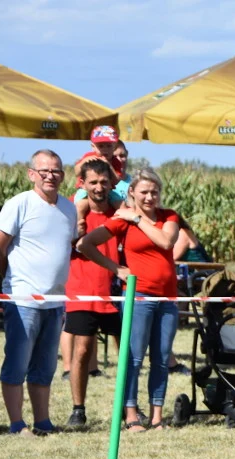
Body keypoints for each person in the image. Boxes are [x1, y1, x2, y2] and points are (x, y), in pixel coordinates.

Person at [78, 168, 180, 432]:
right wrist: (115, 268)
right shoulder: (122, 222)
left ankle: (157, 416)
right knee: (133, 358)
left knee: (161, 357)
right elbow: (85, 244)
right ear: (131, 192)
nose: (149, 197)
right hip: (140, 296)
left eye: (154, 192)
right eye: (143, 192)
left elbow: (166, 242)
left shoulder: (168, 217)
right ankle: (131, 414)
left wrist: (136, 217)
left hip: (168, 299)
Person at [0, 149, 76, 436]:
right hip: (22, 300)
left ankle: (43, 421)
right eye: (44, 171)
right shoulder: (19, 204)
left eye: (56, 171)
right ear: (32, 174)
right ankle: (16, 423)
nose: (51, 176)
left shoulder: (68, 208)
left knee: (45, 365)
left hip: (55, 301)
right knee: (17, 362)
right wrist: (11, 280)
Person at [64, 158, 123, 428]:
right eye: (93, 182)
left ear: (112, 183)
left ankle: (128, 407)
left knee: (126, 352)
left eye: (104, 182)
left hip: (117, 291)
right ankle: (78, 409)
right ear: (83, 184)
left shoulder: (120, 211)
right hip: (82, 290)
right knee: (83, 351)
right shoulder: (73, 211)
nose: (99, 187)